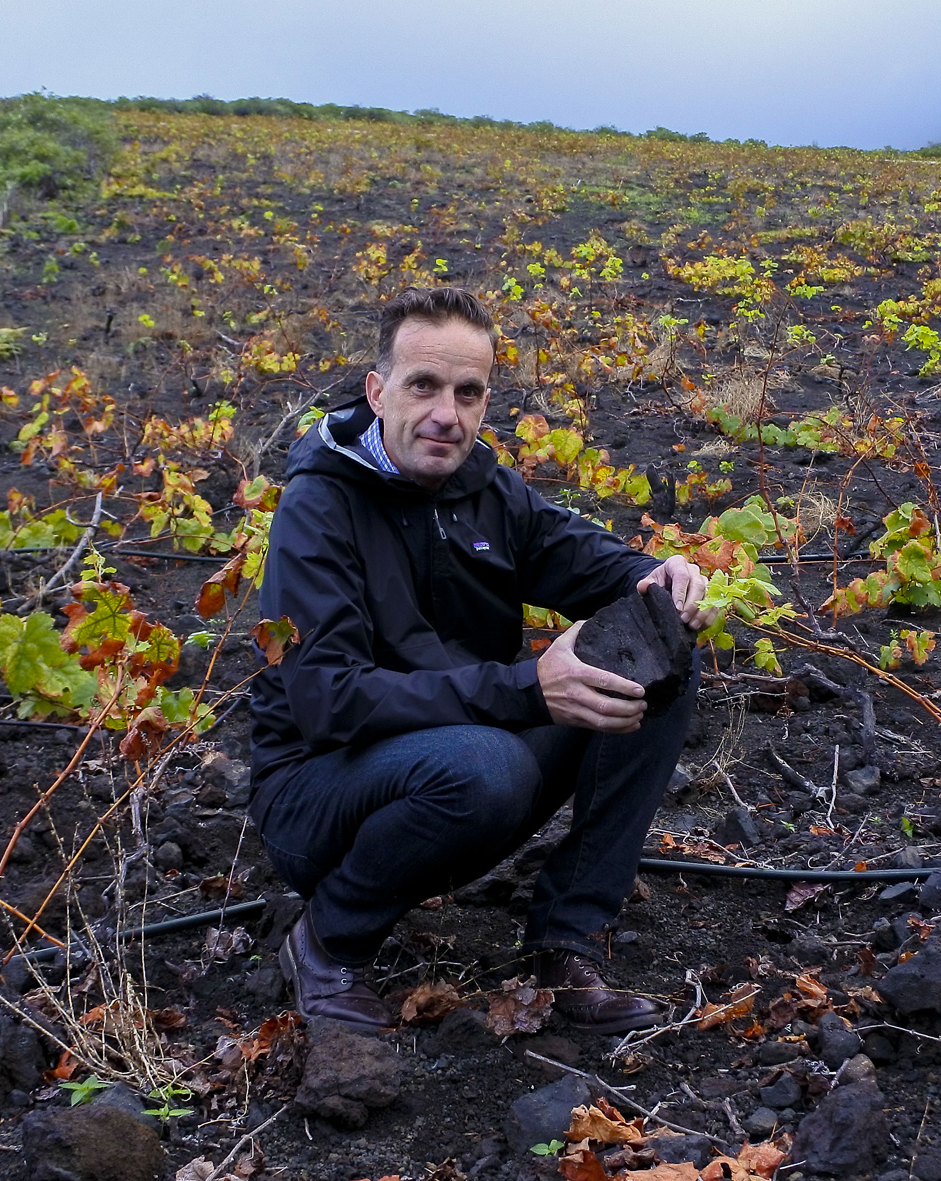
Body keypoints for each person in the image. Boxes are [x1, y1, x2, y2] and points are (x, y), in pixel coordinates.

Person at [248, 286, 714, 1034]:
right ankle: (328, 941)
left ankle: (566, 941)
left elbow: (589, 561)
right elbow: (329, 700)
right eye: (423, 386)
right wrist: (528, 689)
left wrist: (659, 579)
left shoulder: (486, 488)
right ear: (377, 392)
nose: (447, 414)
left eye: (468, 393)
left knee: (656, 656)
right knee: (484, 767)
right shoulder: (318, 508)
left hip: (460, 755)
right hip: (320, 795)